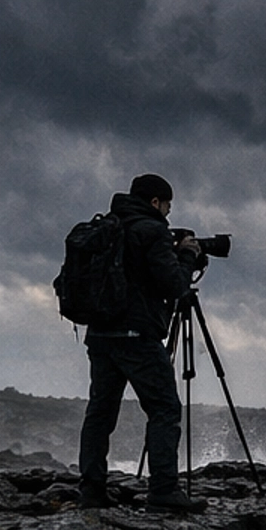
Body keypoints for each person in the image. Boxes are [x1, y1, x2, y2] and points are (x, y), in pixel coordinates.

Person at [77, 173, 203, 512]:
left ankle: (91, 491)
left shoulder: (110, 226)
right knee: (164, 408)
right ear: (154, 202)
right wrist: (188, 256)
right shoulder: (152, 230)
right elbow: (174, 285)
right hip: (137, 337)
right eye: (167, 205)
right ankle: (163, 491)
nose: (168, 213)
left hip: (100, 335)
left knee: (100, 413)